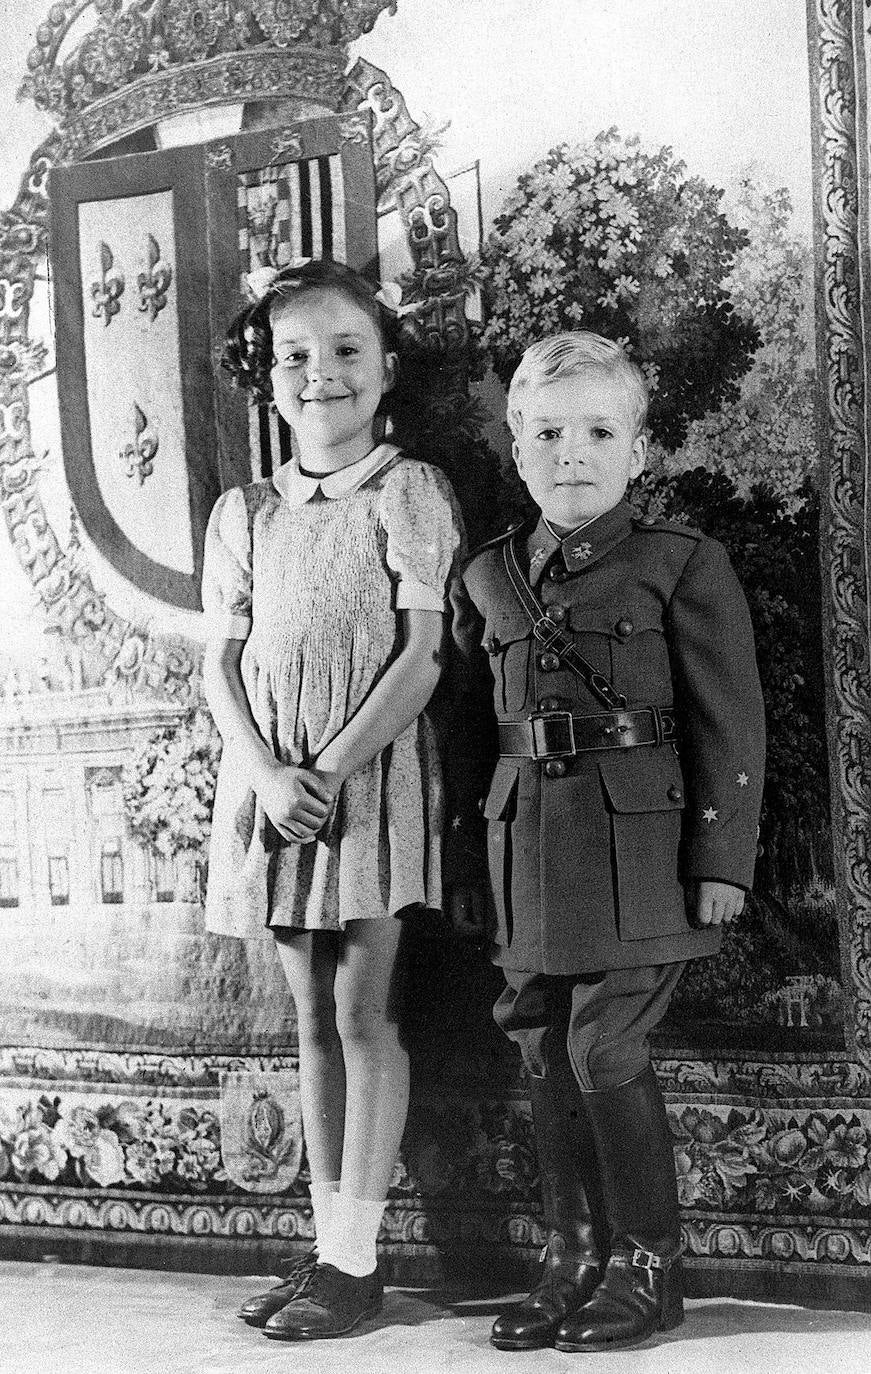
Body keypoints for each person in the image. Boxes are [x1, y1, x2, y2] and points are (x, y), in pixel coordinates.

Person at [449, 331, 765, 1353]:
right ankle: (570, 1260)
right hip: (523, 853)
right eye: (547, 434)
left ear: (638, 449)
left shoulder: (679, 563)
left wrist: (720, 862)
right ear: (516, 448)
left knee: (602, 1045)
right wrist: (467, 868)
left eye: (597, 431)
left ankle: (647, 1269)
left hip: (640, 859)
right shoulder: (489, 577)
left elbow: (730, 721)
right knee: (540, 1039)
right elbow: (469, 735)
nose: (571, 453)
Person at [201, 259, 464, 1342]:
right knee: (309, 1017)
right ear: (265, 377)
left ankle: (356, 1263)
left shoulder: (408, 491)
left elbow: (422, 657)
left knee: (362, 1014)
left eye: (346, 350)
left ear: (387, 366)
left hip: (369, 781)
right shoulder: (245, 512)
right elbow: (218, 666)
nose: (321, 374)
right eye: (294, 356)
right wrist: (270, 776)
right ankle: (328, 1249)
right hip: (272, 788)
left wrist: (333, 770)